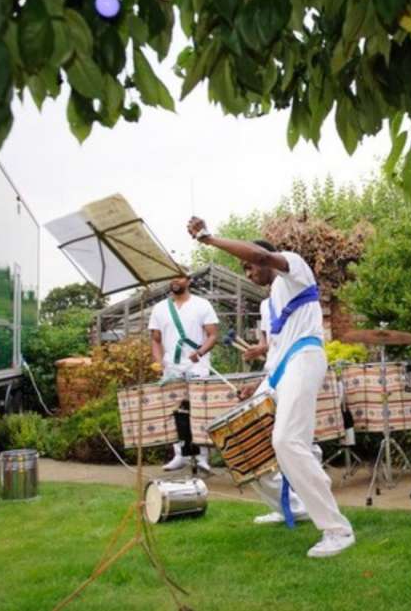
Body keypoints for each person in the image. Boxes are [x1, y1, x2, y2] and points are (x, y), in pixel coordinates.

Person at [187, 219, 355, 558]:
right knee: (241, 442)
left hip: (306, 357)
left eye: (249, 265)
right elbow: (276, 354)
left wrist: (209, 238)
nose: (249, 272)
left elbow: (262, 258)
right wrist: (259, 387)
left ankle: (338, 530)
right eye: (245, 269)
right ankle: (291, 505)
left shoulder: (295, 267)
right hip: (281, 371)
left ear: (265, 257)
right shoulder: (271, 302)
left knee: (286, 441)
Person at [148, 272, 219, 472]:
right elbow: (155, 338)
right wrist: (158, 362)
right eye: (172, 277)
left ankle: (203, 456)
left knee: (199, 410)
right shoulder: (160, 308)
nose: (175, 281)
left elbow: (213, 335)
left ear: (189, 281)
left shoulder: (202, 304)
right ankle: (179, 455)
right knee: (174, 410)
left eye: (180, 277)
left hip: (198, 365)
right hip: (172, 366)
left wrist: (201, 352)